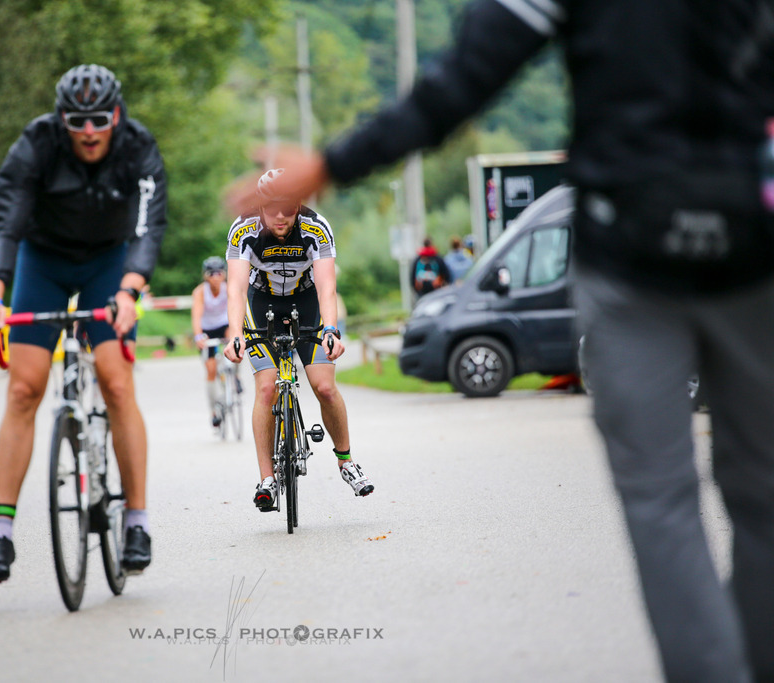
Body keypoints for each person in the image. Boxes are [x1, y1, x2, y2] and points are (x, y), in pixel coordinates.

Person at [226, 3, 774, 681]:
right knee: (763, 491)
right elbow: (236, 285)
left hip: (632, 240)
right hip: (752, 226)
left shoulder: (313, 233)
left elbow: (464, 79)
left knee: (661, 503)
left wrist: (335, 164)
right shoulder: (250, 240)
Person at [0, 64, 167, 583]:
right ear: (61, 118)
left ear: (116, 116)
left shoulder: (138, 147)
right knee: (23, 389)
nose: (87, 130)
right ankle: (1, 532)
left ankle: (138, 522)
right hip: (46, 261)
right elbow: (5, 221)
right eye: (76, 120)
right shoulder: (36, 143)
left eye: (98, 119)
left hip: (109, 263)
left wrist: (130, 291)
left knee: (117, 383)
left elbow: (149, 229)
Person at [224, 169, 374, 510]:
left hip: (307, 305)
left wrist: (331, 329)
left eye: (288, 209)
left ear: (299, 205)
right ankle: (267, 479)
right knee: (266, 389)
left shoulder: (315, 227)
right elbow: (234, 288)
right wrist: (234, 334)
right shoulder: (244, 228)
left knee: (323, 386)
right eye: (272, 208)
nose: (280, 216)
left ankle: (347, 461)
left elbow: (326, 286)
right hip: (260, 306)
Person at [191, 256, 232, 429]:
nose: (216, 277)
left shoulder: (228, 288)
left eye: (219, 273)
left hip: (224, 325)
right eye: (211, 274)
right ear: (206, 276)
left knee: (234, 340)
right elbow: (196, 315)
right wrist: (198, 336)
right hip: (207, 329)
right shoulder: (200, 292)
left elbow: (235, 308)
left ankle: (234, 375)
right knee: (210, 369)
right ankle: (213, 411)